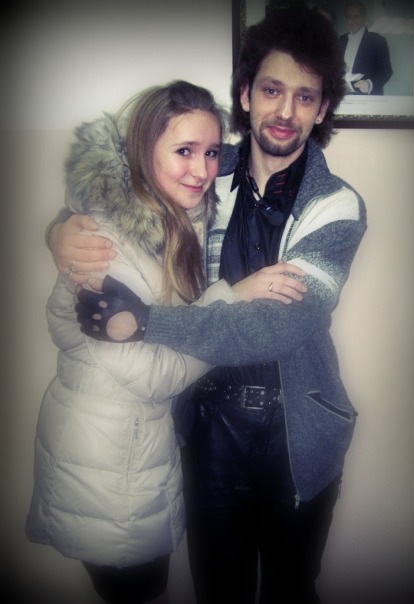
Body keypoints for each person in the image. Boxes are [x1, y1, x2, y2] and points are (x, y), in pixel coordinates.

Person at [49, 7, 367, 604]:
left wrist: (147, 323)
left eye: (305, 97)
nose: (286, 110)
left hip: (298, 427)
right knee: (219, 590)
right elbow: (122, 193)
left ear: (322, 109)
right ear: (245, 95)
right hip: (208, 423)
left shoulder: (337, 206)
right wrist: (61, 229)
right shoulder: (205, 177)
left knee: (292, 589)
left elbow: (279, 327)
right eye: (271, 90)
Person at [27, 80, 306, 604]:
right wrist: (233, 297)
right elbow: (156, 376)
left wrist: (54, 228)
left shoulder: (177, 214)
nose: (201, 170)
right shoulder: (103, 246)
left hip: (134, 449)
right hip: (108, 461)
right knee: (135, 590)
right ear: (142, 150)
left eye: (211, 152)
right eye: (183, 151)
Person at [339, 0, 393, 95]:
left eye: (357, 16)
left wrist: (370, 84)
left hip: (368, 96)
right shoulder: (341, 39)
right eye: (349, 17)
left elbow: (386, 71)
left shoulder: (378, 40)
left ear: (364, 17)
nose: (353, 21)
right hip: (343, 95)